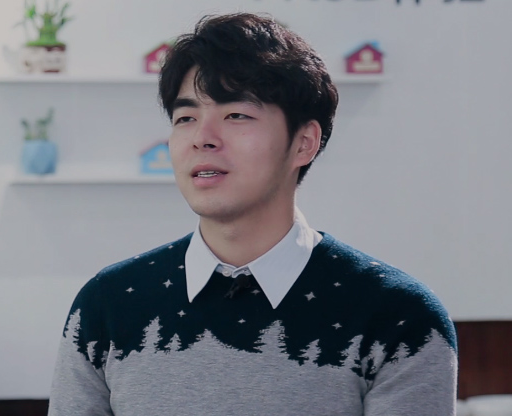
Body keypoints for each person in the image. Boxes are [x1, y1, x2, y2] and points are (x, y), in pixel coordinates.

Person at [48, 13, 457, 416]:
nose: (202, 138)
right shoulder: (108, 303)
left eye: (236, 115)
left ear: (304, 143)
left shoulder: (399, 317)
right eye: (186, 118)